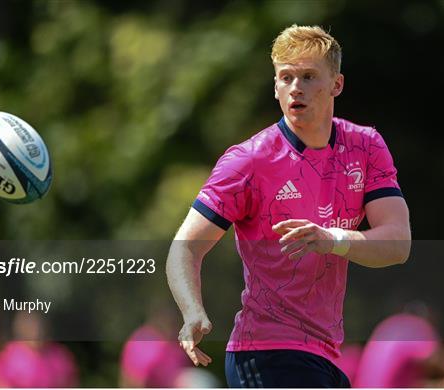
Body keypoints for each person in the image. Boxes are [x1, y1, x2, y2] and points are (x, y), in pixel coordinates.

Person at [166, 24, 411, 388]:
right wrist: (192, 311)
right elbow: (184, 248)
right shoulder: (248, 161)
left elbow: (398, 244)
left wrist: (332, 239)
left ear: (336, 85)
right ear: (276, 87)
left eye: (309, 76)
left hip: (324, 354)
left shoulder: (366, 146)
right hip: (265, 352)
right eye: (287, 77)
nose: (296, 87)